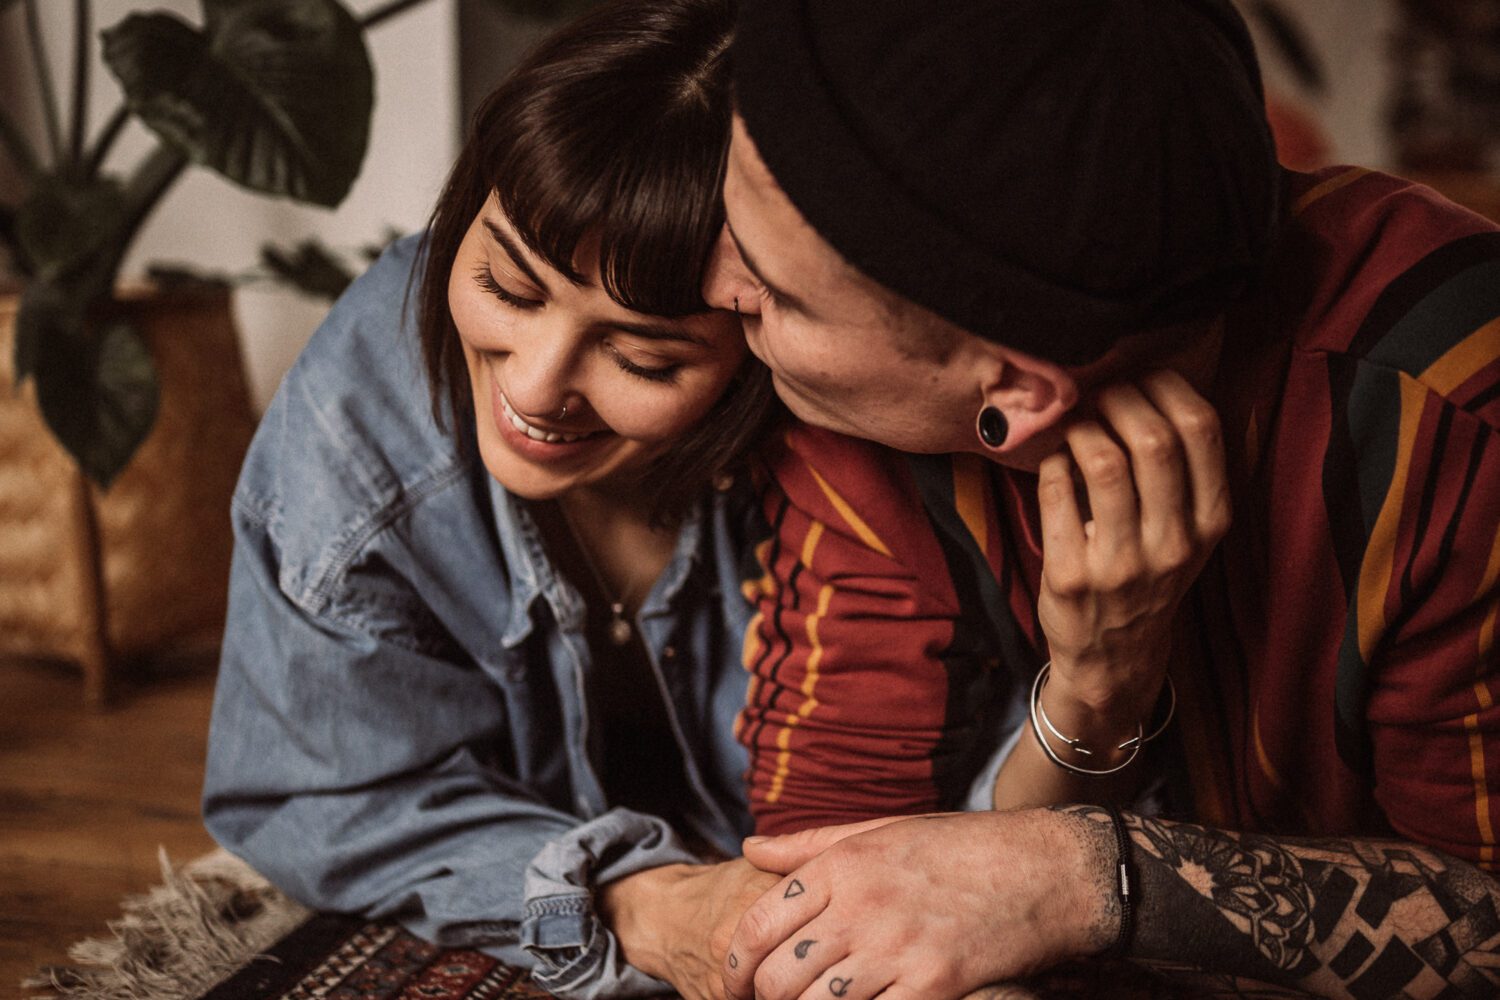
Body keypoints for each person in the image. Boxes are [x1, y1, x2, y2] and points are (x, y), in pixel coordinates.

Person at [701, 1, 1500, 998]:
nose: (713, 285)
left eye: (780, 293)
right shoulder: (857, 419)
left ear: (1020, 394)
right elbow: (827, 912)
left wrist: (1080, 877)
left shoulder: (1455, 410)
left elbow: (1489, 928)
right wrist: (1095, 693)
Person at [201, 3, 793, 997]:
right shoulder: (349, 442)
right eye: (508, 289)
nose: (532, 386)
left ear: (764, 348)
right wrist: (635, 902)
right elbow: (314, 796)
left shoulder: (847, 431)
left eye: (640, 355)